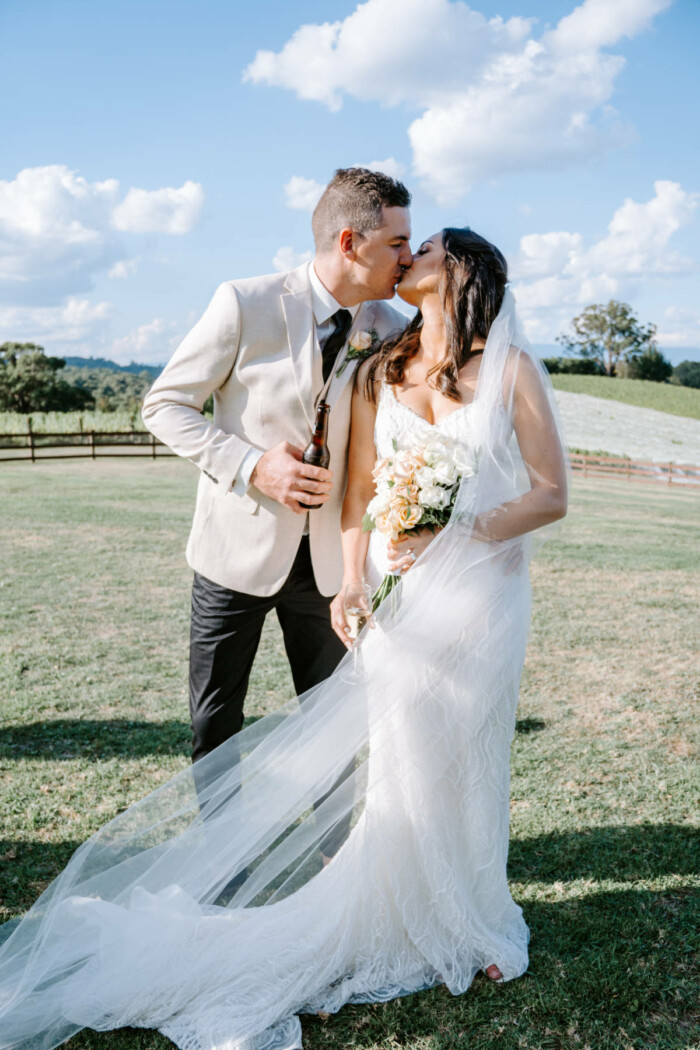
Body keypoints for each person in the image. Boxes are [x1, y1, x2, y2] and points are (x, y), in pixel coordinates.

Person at [0, 228, 567, 1050]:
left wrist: (463, 525)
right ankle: (394, 910)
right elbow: (360, 489)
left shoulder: (511, 370)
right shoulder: (381, 364)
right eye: (403, 246)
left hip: (481, 596)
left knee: (471, 752)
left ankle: (471, 913)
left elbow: (551, 492)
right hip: (397, 595)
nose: (407, 261)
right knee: (402, 754)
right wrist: (351, 578)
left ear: (465, 271)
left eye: (427, 249)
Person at [141, 167, 411, 773]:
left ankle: (327, 862)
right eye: (395, 243)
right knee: (215, 725)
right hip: (231, 553)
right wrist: (251, 465)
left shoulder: (391, 331)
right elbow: (163, 405)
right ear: (349, 242)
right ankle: (222, 866)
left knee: (333, 726)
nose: (405, 257)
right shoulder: (245, 302)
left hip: (329, 568)